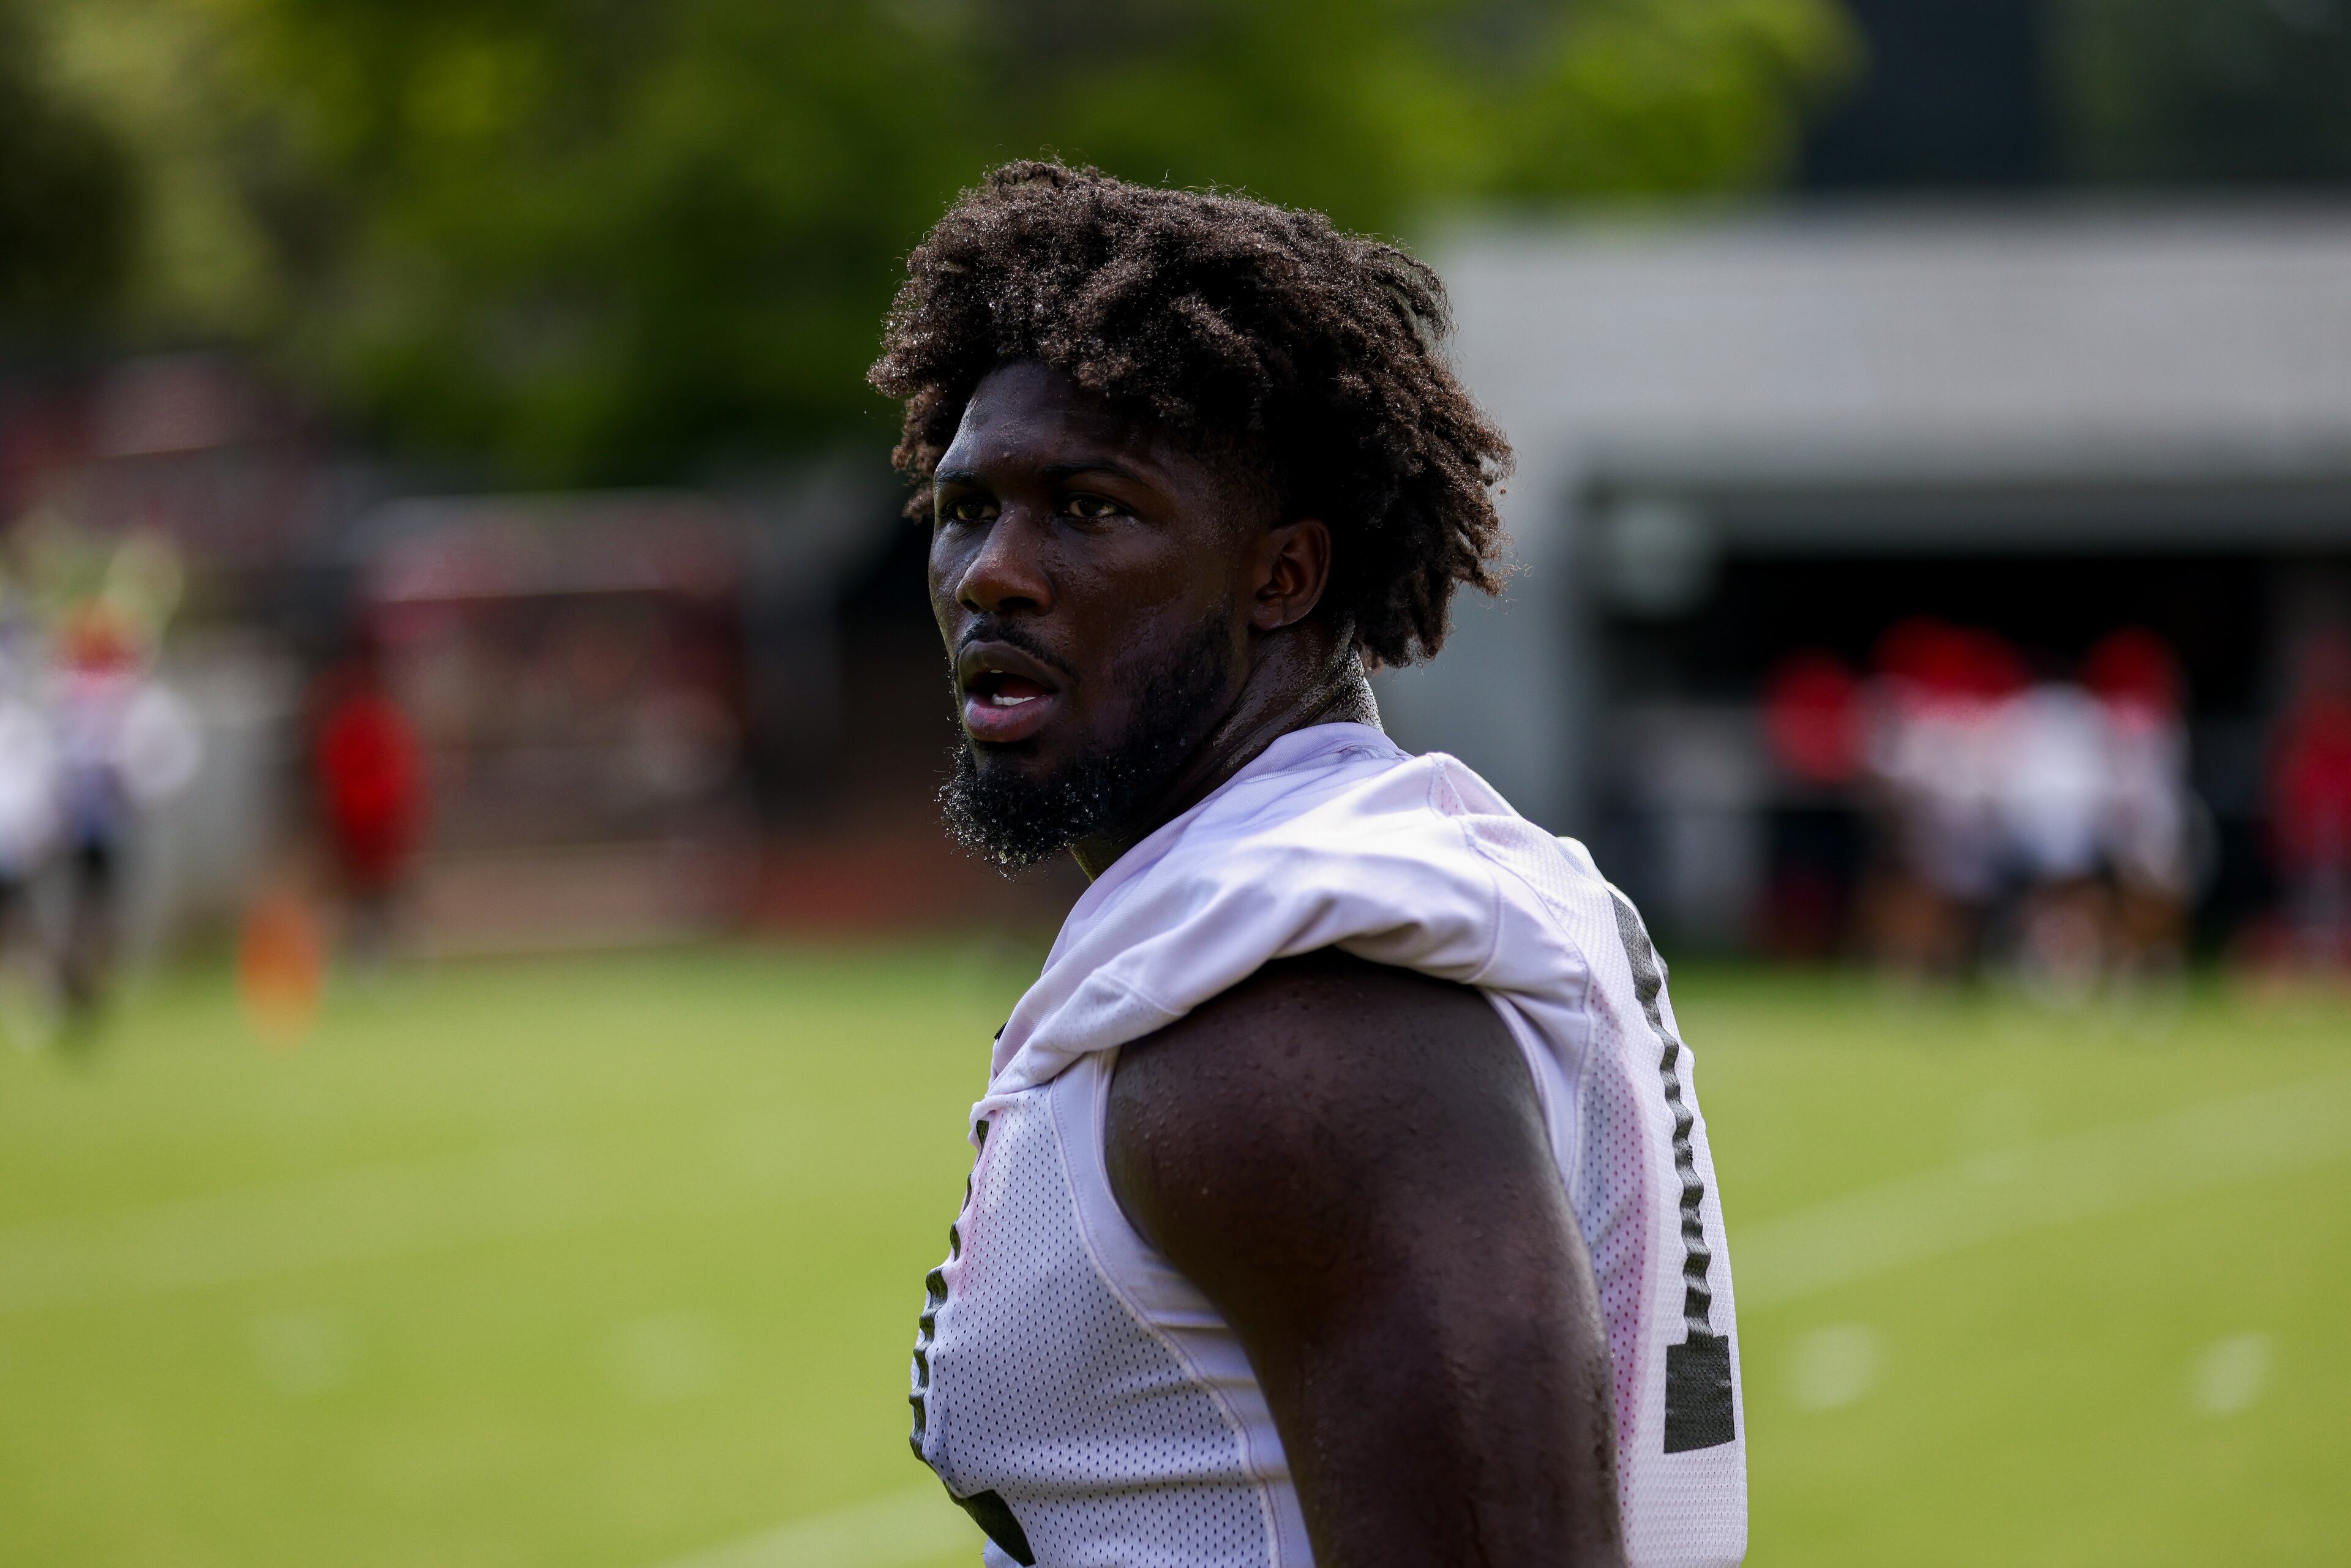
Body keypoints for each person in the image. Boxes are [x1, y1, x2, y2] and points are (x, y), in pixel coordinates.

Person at [874, 164, 1741, 1568]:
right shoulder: (1341, 885)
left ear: (1282, 577)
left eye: (1090, 508)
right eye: (968, 508)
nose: (992, 573)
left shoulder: (1295, 1019)